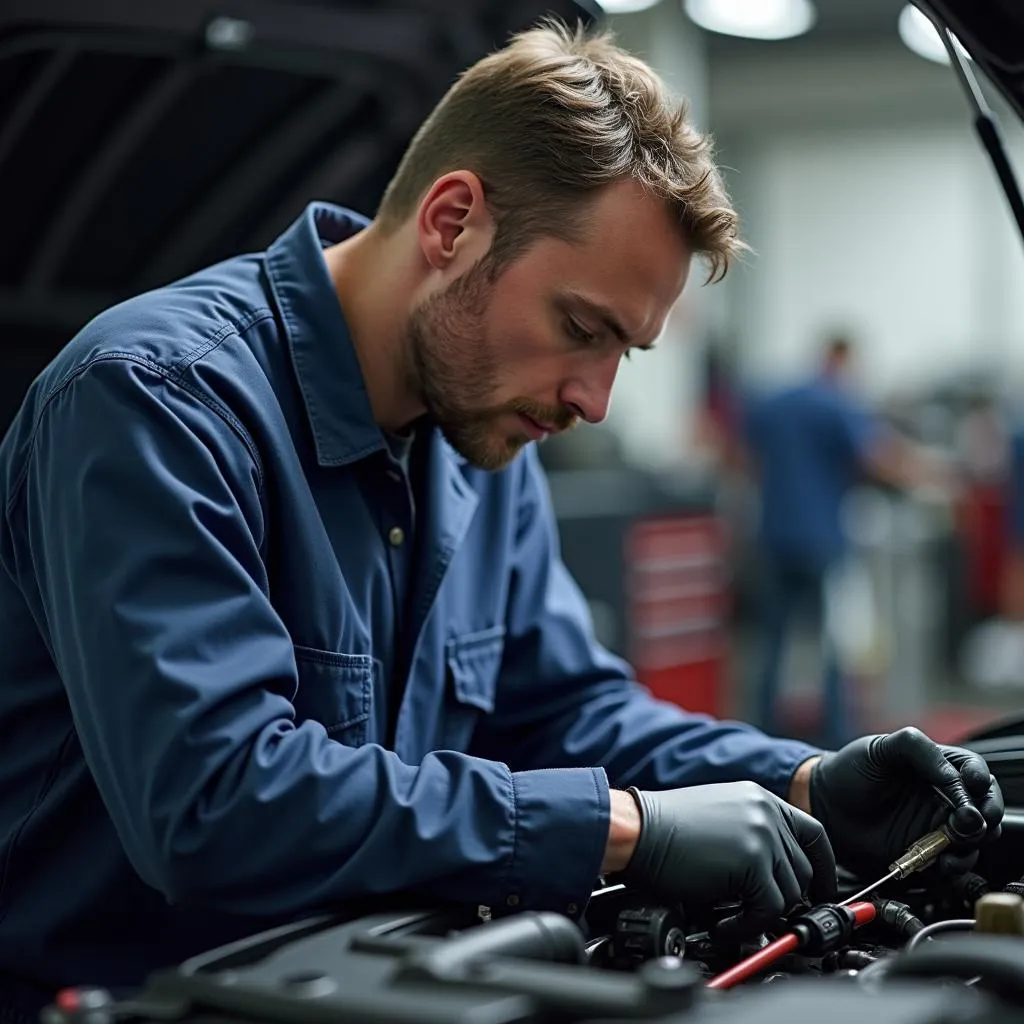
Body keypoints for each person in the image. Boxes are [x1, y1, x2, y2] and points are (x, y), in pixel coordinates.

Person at [0, 21, 1001, 1015]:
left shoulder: (479, 436)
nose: (593, 400)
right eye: (580, 328)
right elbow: (213, 800)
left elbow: (565, 711)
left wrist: (803, 778)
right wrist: (620, 828)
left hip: (377, 980)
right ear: (450, 223)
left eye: (625, 352)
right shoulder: (154, 401)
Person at [743, 337, 950, 748]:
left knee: (774, 639)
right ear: (842, 359)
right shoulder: (835, 403)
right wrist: (930, 476)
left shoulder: (776, 401)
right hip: (821, 539)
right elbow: (876, 456)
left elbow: (743, 453)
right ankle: (838, 735)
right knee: (835, 641)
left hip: (776, 534)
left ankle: (763, 729)